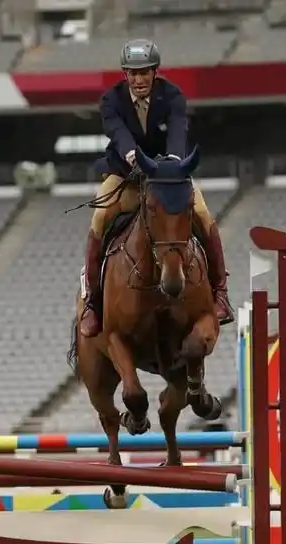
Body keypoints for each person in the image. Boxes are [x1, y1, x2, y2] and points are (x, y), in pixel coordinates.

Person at [79, 38, 235, 338]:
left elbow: (178, 130)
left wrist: (173, 162)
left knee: (202, 214)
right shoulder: (110, 100)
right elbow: (118, 132)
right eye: (132, 73)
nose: (138, 80)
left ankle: (220, 293)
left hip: (168, 176)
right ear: (125, 74)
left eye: (144, 73)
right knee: (99, 218)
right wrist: (132, 156)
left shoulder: (173, 96)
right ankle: (92, 304)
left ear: (155, 72)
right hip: (126, 173)